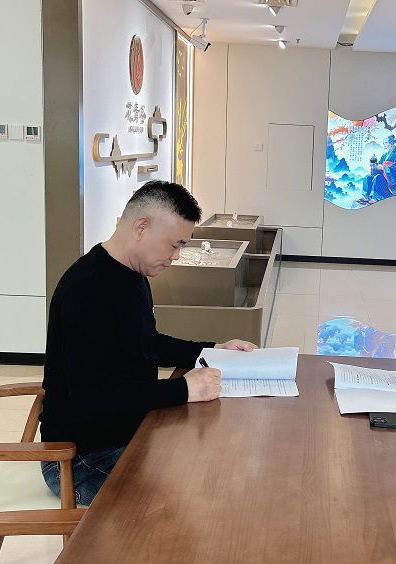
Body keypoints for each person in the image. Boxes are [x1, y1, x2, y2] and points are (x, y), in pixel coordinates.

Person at [40, 180, 256, 505]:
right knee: (199, 495)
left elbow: (147, 342)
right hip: (81, 459)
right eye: (174, 245)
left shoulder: (133, 274)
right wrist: (182, 389)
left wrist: (211, 350)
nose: (176, 256)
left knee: (222, 463)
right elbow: (92, 394)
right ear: (141, 227)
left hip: (131, 434)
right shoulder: (86, 288)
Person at [360, 135, 396, 203]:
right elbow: (380, 164)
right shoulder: (385, 155)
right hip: (384, 177)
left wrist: (384, 168)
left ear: (391, 143)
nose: (384, 145)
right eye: (383, 143)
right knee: (368, 177)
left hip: (394, 183)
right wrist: (374, 166)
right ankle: (367, 196)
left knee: (378, 178)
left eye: (386, 143)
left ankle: (376, 197)